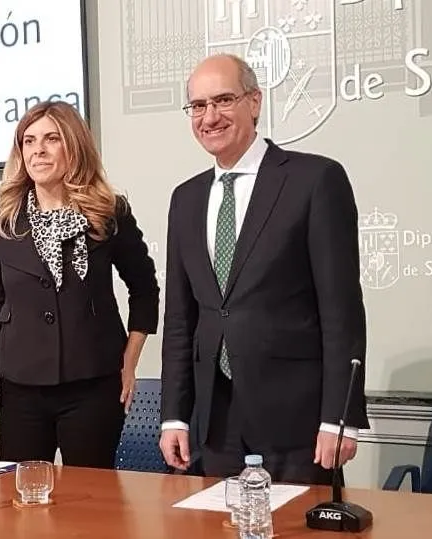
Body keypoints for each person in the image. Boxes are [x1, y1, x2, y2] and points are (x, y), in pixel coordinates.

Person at [158, 54, 369, 485]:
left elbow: (341, 309)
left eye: (223, 100)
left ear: (254, 102)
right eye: (198, 106)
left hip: (297, 423)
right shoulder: (186, 199)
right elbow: (182, 320)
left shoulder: (314, 180)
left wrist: (339, 416)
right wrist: (174, 417)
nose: (210, 117)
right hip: (213, 423)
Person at [0, 101, 160, 468]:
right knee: (24, 512)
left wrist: (129, 361)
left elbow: (145, 290)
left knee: (91, 508)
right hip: (22, 392)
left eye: (51, 139)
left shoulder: (110, 213)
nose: (38, 150)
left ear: (74, 146)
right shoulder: (2, 223)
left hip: (93, 387)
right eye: (28, 141)